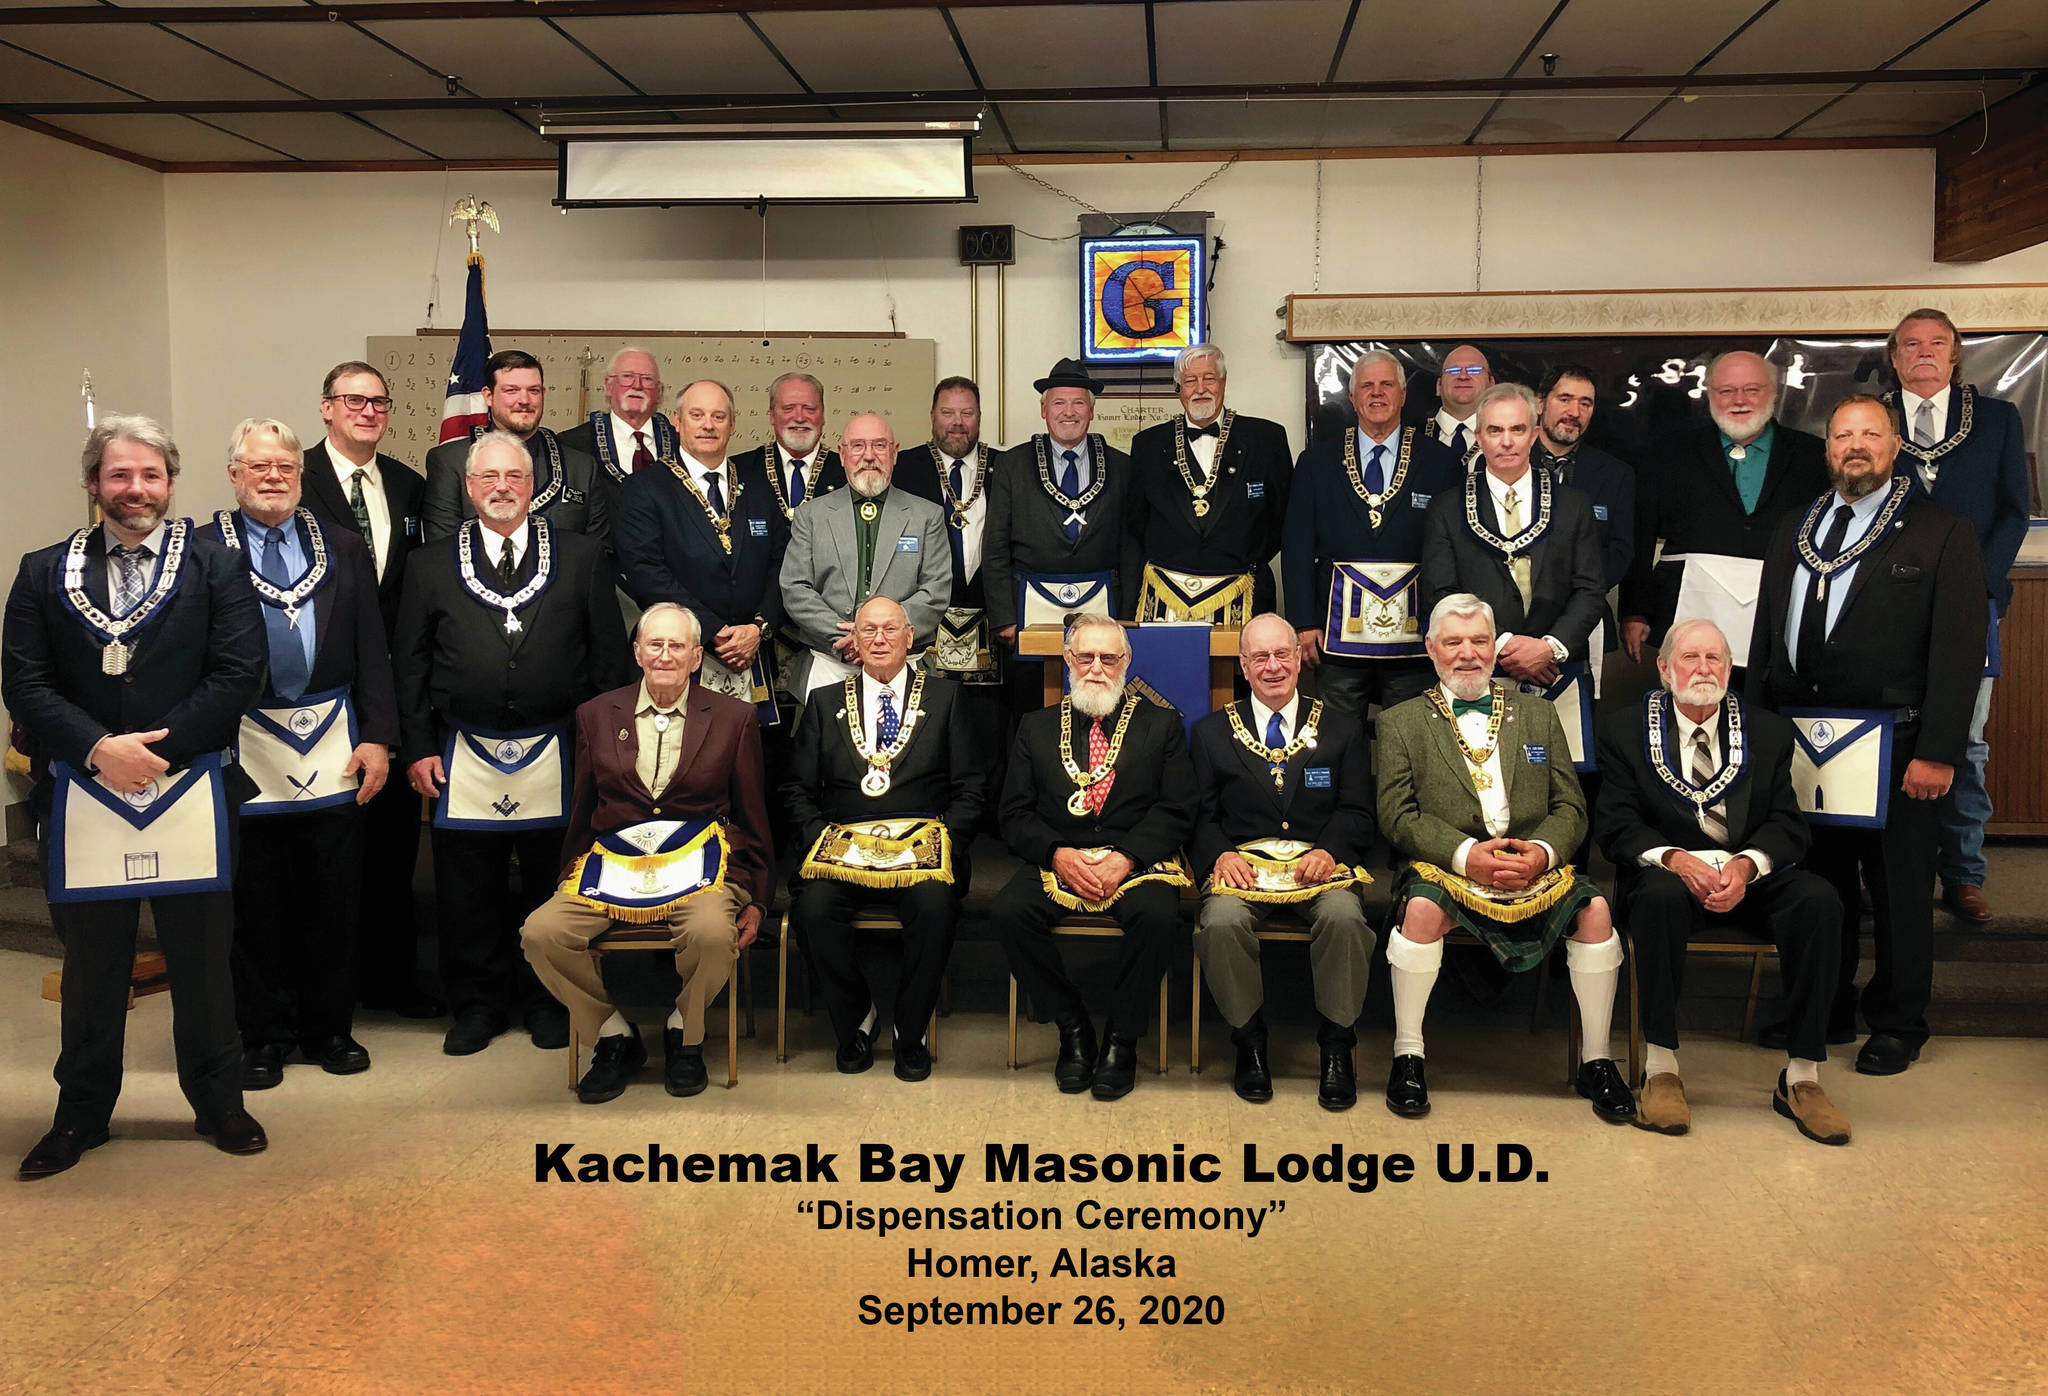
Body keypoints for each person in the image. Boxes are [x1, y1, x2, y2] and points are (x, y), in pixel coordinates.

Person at [5, 415, 268, 1178]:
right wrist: (96, 749)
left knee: (202, 961)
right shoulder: (41, 571)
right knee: (94, 967)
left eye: (151, 475)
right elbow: (22, 681)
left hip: (189, 788)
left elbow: (239, 673)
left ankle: (219, 1103)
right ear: (93, 484)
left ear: (171, 483)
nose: (137, 490)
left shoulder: (216, 566)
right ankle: (80, 1114)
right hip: (84, 792)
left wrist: (155, 753)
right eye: (120, 475)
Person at [1746, 394, 1986, 1076]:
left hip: (1901, 745)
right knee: (1820, 888)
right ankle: (1824, 1009)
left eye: (1870, 434)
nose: (1856, 445)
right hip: (1802, 740)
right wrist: (1759, 737)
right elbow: (1765, 635)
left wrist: (1939, 750)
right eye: (1843, 435)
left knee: (1900, 890)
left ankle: (1899, 1020)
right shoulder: (1796, 526)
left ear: (1896, 445)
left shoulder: (1941, 531)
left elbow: (1959, 651)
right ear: (1828, 451)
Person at [394, 431, 634, 1057]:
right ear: (469, 488)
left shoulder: (581, 557)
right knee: (465, 890)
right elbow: (411, 666)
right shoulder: (429, 564)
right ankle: (477, 1006)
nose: (502, 487)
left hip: (558, 748)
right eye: (488, 477)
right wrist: (418, 747)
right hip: (461, 752)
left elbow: (609, 661)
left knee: (553, 887)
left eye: (515, 477)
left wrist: (606, 752)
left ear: (533, 487)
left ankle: (550, 1002)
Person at [1375, 594, 1633, 1123]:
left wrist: (1541, 852)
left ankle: (1597, 1060)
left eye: (1479, 641)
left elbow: (1570, 806)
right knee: (1421, 913)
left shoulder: (1539, 715)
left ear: (1496, 648)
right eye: (1453, 643)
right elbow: (1397, 817)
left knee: (1598, 913)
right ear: (1431, 649)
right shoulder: (1401, 721)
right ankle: (1408, 1056)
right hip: (1447, 867)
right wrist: (1466, 855)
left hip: (1533, 866)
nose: (1467, 654)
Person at [1594, 618, 1849, 1143]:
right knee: (1659, 899)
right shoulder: (1622, 729)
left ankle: (1802, 1076)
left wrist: (1748, 864)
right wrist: (1677, 859)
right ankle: (1660, 1069)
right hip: (1670, 876)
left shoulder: (1770, 731)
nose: (1704, 669)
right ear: (1664, 669)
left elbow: (1787, 824)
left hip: (1745, 874)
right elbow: (1616, 824)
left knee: (1820, 901)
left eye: (1715, 659)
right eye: (1690, 658)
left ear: (1730, 669)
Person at [203, 419, 396, 1089]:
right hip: (245, 745)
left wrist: (379, 737)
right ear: (234, 474)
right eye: (258, 466)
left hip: (336, 743)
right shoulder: (203, 551)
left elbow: (373, 647)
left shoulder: (341, 545)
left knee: (335, 897)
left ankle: (329, 1029)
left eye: (284, 465)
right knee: (256, 901)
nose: (273, 476)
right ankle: (263, 1034)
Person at [516, 603, 771, 1102]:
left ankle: (684, 1032)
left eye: (677, 646)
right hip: (612, 871)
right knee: (541, 933)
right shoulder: (595, 714)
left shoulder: (734, 718)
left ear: (698, 657)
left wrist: (759, 897)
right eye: (654, 644)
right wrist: (566, 876)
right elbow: (583, 807)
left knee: (711, 933)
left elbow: (753, 814)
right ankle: (613, 1037)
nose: (665, 655)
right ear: (637, 652)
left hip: (704, 870)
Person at [991, 614, 1196, 1100]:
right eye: (1086, 656)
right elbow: (1013, 813)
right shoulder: (1035, 727)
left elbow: (1178, 807)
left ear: (1126, 662)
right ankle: (1072, 1027)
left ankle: (1121, 1039)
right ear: (1067, 661)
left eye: (1109, 657)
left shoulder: (1161, 724)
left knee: (1159, 918)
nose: (1097, 667)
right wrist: (1056, 853)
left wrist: (1126, 857)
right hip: (1058, 857)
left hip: (1137, 860)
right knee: (1007, 912)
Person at [783, 596, 984, 1080]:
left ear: (909, 638)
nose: (878, 639)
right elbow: (796, 790)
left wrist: (940, 844)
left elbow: (972, 790)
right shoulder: (825, 702)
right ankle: (857, 1019)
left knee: (935, 907)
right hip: (844, 853)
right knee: (812, 909)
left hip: (921, 854)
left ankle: (910, 1030)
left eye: (889, 630)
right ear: (852, 640)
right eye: (867, 630)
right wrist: (823, 843)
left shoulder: (946, 699)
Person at [1189, 613, 1376, 1110]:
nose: (1273, 667)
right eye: (1259, 658)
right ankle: (1248, 1042)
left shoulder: (1341, 729)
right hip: (1242, 867)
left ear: (1299, 659)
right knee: (1222, 921)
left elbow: (1359, 810)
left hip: (1320, 867)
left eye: (1282, 655)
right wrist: (1221, 853)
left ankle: (1337, 1045)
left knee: (1344, 918)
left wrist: (1329, 850)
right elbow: (1199, 817)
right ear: (1243, 667)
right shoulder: (1210, 733)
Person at [300, 360, 440, 1019]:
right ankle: (322, 992)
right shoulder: (291, 479)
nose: (367, 411)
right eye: (353, 400)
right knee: (322, 848)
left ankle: (391, 980)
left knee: (389, 848)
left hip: (389, 692)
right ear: (326, 408)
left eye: (379, 402)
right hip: (313, 696)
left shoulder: (411, 487)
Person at [1885, 308, 2031, 924]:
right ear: (1894, 358)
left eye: (1936, 343)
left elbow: (2013, 513)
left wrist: (1976, 587)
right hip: (1886, 606)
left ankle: (1964, 874)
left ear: (1955, 354)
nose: (1923, 352)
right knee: (1890, 739)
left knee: (1964, 743)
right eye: (1910, 344)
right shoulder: (1870, 421)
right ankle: (1886, 868)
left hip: (1974, 607)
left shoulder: (1996, 419)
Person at [1284, 349, 1461, 723]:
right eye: (1367, 386)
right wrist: (1303, 622)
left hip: (1417, 635)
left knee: (1409, 736)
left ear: (1403, 394)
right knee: (1338, 737)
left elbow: (1451, 550)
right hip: (1335, 634)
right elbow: (1296, 546)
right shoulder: (1316, 462)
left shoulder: (1440, 462)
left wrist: (1448, 622)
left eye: (1386, 385)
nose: (1376, 394)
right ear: (1352, 397)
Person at [1622, 351, 1826, 663]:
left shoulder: (1815, 457)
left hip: (1782, 621)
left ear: (1773, 392)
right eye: (1727, 391)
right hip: (1686, 617)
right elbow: (1641, 532)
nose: (1738, 400)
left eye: (1752, 390)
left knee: (1767, 712)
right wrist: (1635, 611)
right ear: (1710, 394)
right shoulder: (1670, 454)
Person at [615, 379, 787, 719]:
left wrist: (758, 628)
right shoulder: (644, 489)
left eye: (718, 416)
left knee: (751, 762)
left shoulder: (758, 487)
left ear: (732, 425)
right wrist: (711, 631)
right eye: (697, 415)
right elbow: (646, 572)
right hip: (680, 656)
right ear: (677, 421)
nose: (708, 425)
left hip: (752, 653)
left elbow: (783, 564)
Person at [1420, 383, 1605, 688]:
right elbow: (1441, 593)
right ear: (1479, 438)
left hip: (1558, 671)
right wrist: (1505, 645)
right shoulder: (1447, 508)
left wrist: (1548, 648)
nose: (1507, 442)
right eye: (1495, 430)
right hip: (1478, 669)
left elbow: (1590, 589)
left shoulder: (1574, 505)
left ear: (1534, 435)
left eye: (1517, 430)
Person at [778, 413, 949, 701]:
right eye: (857, 446)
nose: (868, 456)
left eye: (879, 446)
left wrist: (882, 634)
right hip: (830, 666)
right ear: (842, 454)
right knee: (828, 747)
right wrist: (846, 638)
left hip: (903, 668)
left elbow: (936, 592)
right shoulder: (811, 515)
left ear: (894, 453)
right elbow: (795, 588)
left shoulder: (927, 516)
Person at [1127, 343, 1292, 623]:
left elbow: (1284, 520)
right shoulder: (1147, 445)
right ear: (1179, 387)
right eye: (1190, 380)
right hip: (1167, 597)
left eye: (1209, 378)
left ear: (1223, 382)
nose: (1200, 388)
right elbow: (1136, 521)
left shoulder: (1267, 439)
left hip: (1245, 588)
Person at [984, 358, 1142, 642]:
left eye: (1078, 403)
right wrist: (1003, 617)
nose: (1069, 412)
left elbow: (1131, 548)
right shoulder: (1012, 465)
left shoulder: (1122, 467)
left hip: (1104, 606)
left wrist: (1128, 613)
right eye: (1059, 403)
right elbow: (995, 545)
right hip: (1029, 606)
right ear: (1044, 410)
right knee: (1033, 686)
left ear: (1092, 411)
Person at [421, 349, 612, 544]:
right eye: (511, 390)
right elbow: (441, 551)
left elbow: (598, 554)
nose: (524, 400)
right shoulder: (450, 462)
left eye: (533, 391)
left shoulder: (581, 467)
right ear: (488, 396)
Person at [897, 376, 1001, 689]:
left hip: (993, 622)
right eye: (947, 413)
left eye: (967, 413)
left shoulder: (1006, 467)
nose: (957, 423)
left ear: (980, 417)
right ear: (932, 416)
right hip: (924, 625)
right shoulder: (903, 469)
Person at [1531, 363, 1635, 608]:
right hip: (1514, 615)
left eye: (1585, 403)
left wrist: (1577, 596)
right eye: (1565, 399)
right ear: (1540, 403)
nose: (1574, 412)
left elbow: (1620, 552)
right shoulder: (1506, 462)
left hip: (1585, 614)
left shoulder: (1616, 474)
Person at [732, 371, 847, 521]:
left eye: (809, 409)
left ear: (823, 415)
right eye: (788, 408)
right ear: (772, 416)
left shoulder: (846, 472)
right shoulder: (738, 470)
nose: (799, 418)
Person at [558, 346, 677, 483]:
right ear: (609, 386)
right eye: (627, 376)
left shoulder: (682, 444)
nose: (637, 385)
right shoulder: (573, 444)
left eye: (647, 378)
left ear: (659, 391)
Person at [1423, 344, 1491, 468]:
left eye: (1474, 370)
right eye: (1453, 371)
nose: (1463, 376)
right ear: (1439, 386)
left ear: (1492, 385)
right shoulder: (1412, 433)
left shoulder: (1512, 435)